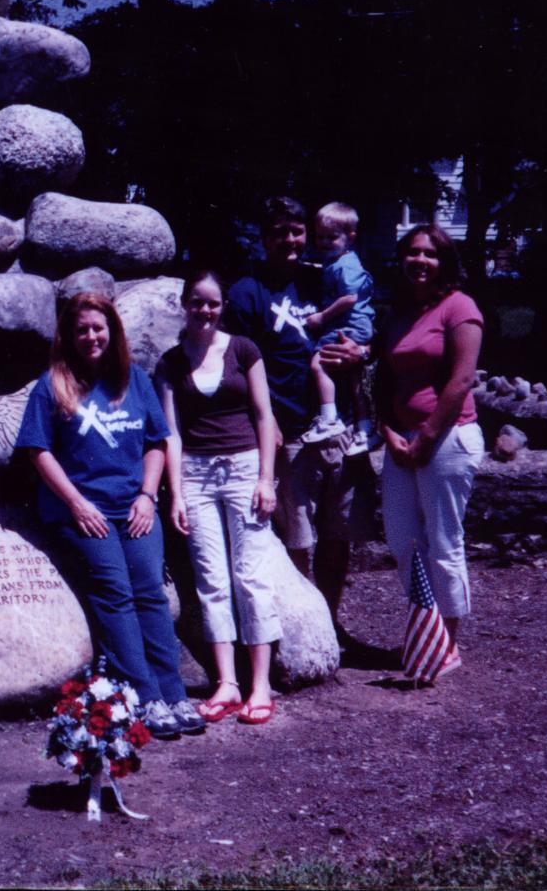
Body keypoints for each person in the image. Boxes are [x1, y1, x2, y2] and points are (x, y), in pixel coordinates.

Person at [14, 293, 205, 738]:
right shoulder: (52, 384)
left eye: (98, 327)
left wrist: (146, 496)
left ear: (113, 331)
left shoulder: (134, 380)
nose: (91, 336)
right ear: (69, 335)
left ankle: (173, 693)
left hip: (133, 505)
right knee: (115, 592)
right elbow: (38, 451)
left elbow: (156, 442)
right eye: (81, 329)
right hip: (82, 510)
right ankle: (144, 696)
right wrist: (76, 503)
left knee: (151, 594)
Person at [223, 196, 375, 639]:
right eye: (279, 232)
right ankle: (303, 627)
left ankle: (329, 620)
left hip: (338, 424)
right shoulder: (247, 292)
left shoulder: (322, 278)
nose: (290, 240)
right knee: (298, 535)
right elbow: (236, 366)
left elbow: (365, 324)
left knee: (338, 531)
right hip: (286, 428)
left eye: (296, 230)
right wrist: (262, 425)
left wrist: (362, 350)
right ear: (263, 237)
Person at [156, 272, 281, 725]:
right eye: (196, 302)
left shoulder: (243, 350)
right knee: (211, 580)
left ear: (222, 305)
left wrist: (266, 479)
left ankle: (260, 684)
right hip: (197, 475)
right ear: (184, 303)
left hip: (245, 469)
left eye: (212, 303)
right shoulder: (170, 362)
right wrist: (176, 494)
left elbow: (265, 417)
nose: (204, 311)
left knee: (251, 575)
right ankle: (226, 682)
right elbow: (170, 434)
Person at [377, 225, 485, 674]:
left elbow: (461, 380)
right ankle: (426, 628)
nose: (419, 260)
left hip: (447, 441)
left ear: (444, 261)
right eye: (412, 253)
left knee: (443, 541)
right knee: (403, 540)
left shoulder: (459, 307)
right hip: (401, 442)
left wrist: (425, 438)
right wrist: (388, 432)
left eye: (430, 254)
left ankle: (448, 644)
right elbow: (382, 379)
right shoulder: (400, 312)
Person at [300, 202, 376, 454]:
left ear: (350, 237)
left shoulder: (346, 265)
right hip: (357, 327)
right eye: (320, 237)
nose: (324, 242)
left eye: (332, 237)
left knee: (318, 364)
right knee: (353, 377)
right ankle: (365, 430)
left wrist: (322, 317)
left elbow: (349, 298)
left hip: (349, 325)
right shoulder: (339, 262)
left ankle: (329, 419)